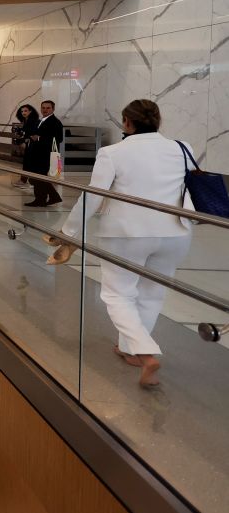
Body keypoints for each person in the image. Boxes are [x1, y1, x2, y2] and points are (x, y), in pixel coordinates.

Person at [48, 100, 193, 388]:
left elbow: (93, 195)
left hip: (127, 232)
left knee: (118, 294)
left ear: (127, 122)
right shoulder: (182, 147)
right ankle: (130, 350)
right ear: (157, 121)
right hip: (176, 231)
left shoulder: (112, 152)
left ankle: (145, 352)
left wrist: (69, 230)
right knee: (152, 293)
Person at [24, 100, 63, 207]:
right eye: (43, 108)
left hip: (45, 155)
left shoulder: (55, 122)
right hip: (37, 153)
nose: (45, 110)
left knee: (37, 177)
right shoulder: (42, 120)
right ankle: (48, 198)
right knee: (36, 177)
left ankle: (42, 199)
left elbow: (59, 138)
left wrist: (39, 138)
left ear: (53, 109)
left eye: (48, 108)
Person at [13, 104, 40, 189]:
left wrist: (26, 139)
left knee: (29, 163)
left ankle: (26, 181)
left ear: (30, 111)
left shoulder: (34, 121)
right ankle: (25, 180)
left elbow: (34, 133)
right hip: (28, 145)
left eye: (25, 111)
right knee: (27, 163)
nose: (23, 113)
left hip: (33, 145)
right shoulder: (26, 121)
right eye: (22, 111)